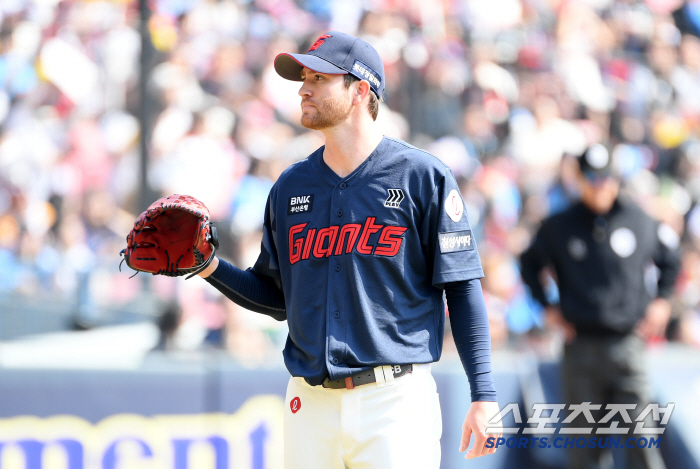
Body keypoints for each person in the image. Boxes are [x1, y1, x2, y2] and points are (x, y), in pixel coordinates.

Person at [196, 31, 501, 468]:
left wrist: (484, 394)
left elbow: (463, 289)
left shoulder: (421, 176)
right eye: (304, 77)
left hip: (394, 399)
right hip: (309, 402)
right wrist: (209, 267)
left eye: (319, 78)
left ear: (360, 90)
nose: (303, 88)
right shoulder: (290, 187)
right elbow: (277, 298)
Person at [519, 144, 681, 469]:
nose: (600, 185)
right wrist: (547, 307)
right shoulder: (559, 226)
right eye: (592, 178)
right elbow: (528, 263)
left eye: (607, 177)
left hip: (627, 346)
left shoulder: (639, 221)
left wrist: (662, 301)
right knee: (585, 449)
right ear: (579, 180)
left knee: (642, 441)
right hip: (579, 347)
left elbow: (671, 261)